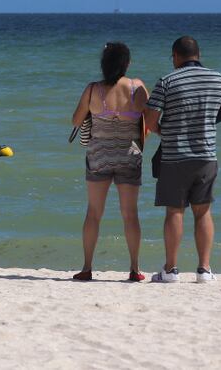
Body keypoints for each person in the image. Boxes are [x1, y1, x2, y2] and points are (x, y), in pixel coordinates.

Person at [144, 36, 221, 284]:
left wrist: (165, 131)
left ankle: (170, 270)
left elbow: (149, 121)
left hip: (174, 156)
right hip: (206, 155)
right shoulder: (218, 79)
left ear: (175, 56)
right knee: (203, 212)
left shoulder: (167, 81)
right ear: (199, 54)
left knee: (174, 211)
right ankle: (204, 270)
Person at [70, 42, 148, 282]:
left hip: (98, 156)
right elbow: (149, 124)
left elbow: (75, 121)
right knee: (130, 214)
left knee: (93, 213)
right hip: (128, 156)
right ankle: (134, 269)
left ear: (104, 64)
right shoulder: (138, 87)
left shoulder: (93, 90)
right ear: (127, 63)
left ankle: (86, 267)